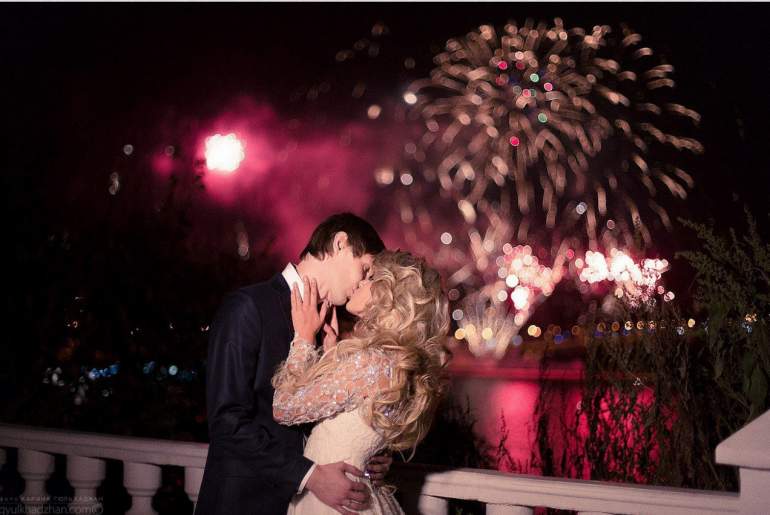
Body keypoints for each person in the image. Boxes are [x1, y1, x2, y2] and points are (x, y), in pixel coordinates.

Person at [195, 213, 393, 515]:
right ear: (340, 244)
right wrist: (309, 476)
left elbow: (319, 416)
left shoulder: (332, 329)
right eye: (365, 269)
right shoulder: (249, 307)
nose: (363, 283)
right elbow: (227, 422)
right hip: (244, 504)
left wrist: (365, 454)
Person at [272, 250, 450, 515]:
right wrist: (331, 354)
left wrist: (304, 339)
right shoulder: (395, 363)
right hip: (352, 491)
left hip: (334, 501)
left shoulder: (372, 362)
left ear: (389, 295)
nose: (360, 282)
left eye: (370, 278)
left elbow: (284, 407)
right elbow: (357, 422)